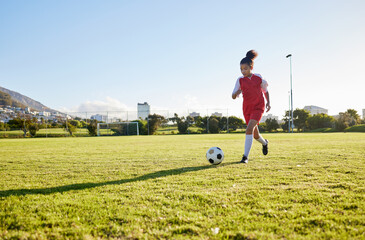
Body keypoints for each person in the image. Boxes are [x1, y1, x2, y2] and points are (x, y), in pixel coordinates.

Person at [232, 50, 271, 163]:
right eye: (241, 69)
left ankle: (245, 157)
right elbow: (233, 96)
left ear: (251, 67)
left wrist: (268, 102)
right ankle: (265, 143)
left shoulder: (258, 78)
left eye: (245, 68)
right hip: (247, 109)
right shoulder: (240, 80)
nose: (243, 71)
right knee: (255, 135)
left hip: (258, 107)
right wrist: (237, 92)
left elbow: (265, 91)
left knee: (248, 129)